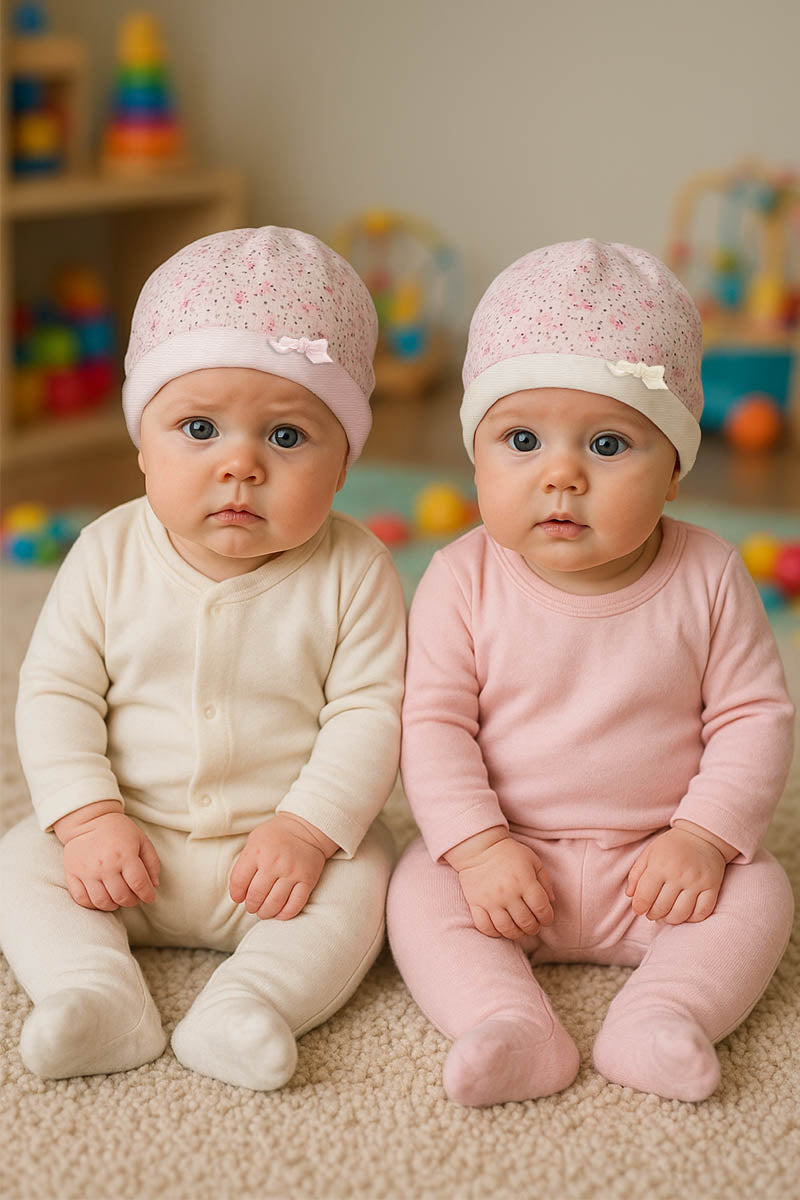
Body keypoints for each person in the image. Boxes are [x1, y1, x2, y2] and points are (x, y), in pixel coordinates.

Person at [387, 238, 794, 1106]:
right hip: (507, 864)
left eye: (609, 444)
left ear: (677, 466)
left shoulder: (711, 574)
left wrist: (704, 836)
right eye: (522, 440)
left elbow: (754, 718)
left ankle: (664, 1012)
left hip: (661, 864)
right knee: (416, 884)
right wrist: (481, 846)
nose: (561, 475)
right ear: (476, 456)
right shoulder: (460, 577)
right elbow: (433, 726)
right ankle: (505, 1022)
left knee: (762, 890)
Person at [0, 226, 406, 1091]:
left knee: (372, 872)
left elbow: (372, 712)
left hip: (278, 860)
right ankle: (94, 990)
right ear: (142, 445)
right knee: (19, 855)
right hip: (124, 847)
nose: (240, 465)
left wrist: (307, 828)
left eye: (288, 438)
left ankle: (251, 1003)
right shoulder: (107, 552)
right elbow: (55, 693)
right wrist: (85, 818)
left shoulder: (357, 568)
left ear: (345, 463)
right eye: (197, 428)